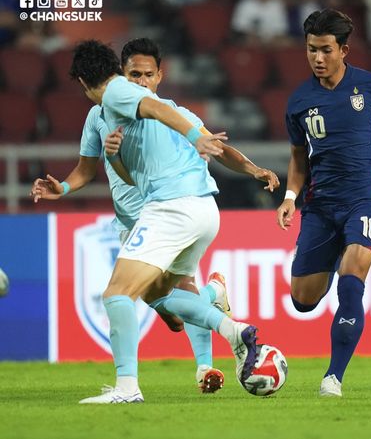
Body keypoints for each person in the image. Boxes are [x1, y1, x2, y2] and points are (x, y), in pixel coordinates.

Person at [30, 38, 277, 394]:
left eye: (147, 75)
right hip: (172, 213)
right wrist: (67, 187)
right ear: (121, 71)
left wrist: (222, 152)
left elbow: (174, 124)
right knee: (166, 306)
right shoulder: (102, 115)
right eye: (135, 74)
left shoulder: (135, 99)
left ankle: (135, 384)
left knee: (118, 295)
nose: (141, 82)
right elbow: (96, 170)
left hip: (166, 210)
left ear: (160, 76)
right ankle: (220, 308)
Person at [276, 9, 371, 397]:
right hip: (320, 206)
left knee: (352, 282)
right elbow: (298, 157)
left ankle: (333, 377)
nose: (317, 58)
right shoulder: (299, 100)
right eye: (310, 50)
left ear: (344, 50)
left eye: (324, 50)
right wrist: (290, 197)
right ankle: (336, 251)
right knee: (303, 300)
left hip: (364, 200)